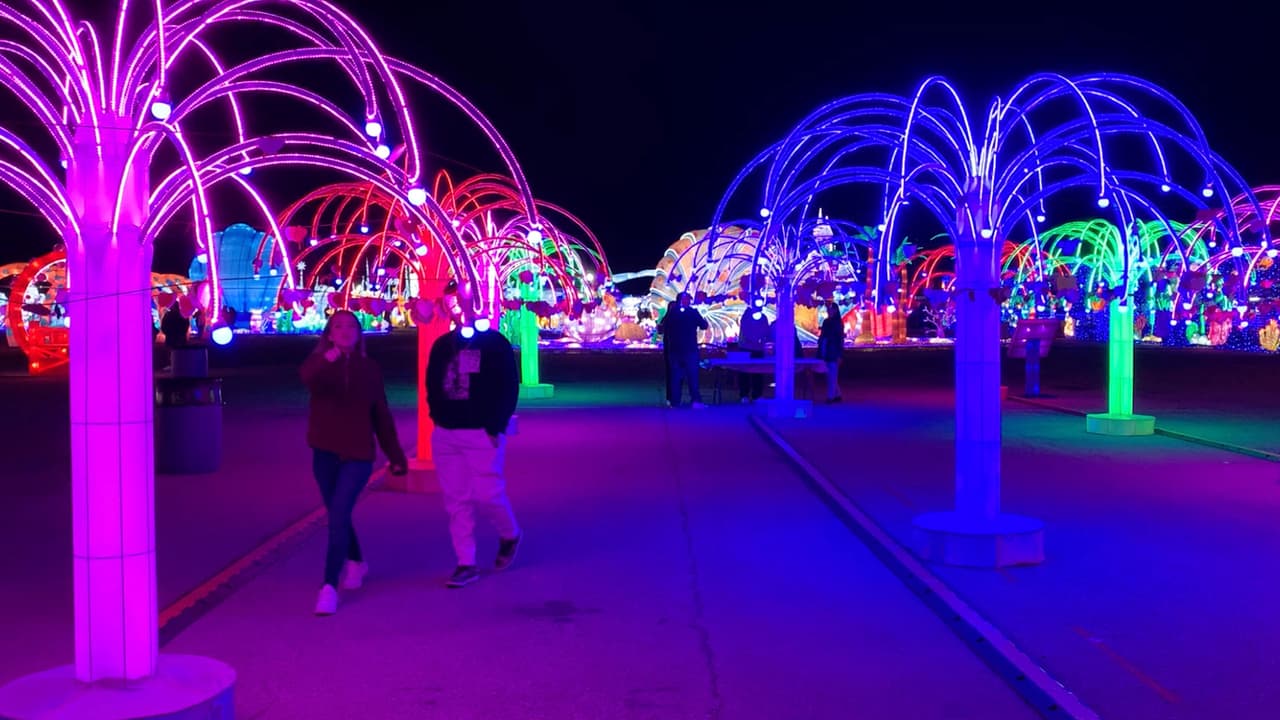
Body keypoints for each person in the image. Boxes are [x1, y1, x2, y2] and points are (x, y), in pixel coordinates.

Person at [301, 310, 407, 615]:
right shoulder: (321, 365)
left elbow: (381, 415)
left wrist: (396, 455)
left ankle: (328, 586)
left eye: (351, 326)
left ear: (359, 334)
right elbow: (308, 377)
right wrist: (329, 358)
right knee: (338, 513)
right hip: (324, 451)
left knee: (338, 513)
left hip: (358, 454)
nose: (346, 331)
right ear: (329, 334)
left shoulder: (369, 369)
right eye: (338, 326)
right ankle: (357, 561)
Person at [426, 315, 522, 588]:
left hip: (482, 431)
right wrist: (437, 414)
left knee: (488, 494)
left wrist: (495, 425)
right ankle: (465, 562)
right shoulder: (444, 344)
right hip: (446, 433)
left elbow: (507, 386)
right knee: (456, 500)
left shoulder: (494, 343)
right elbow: (432, 382)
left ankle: (509, 533)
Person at [660, 291, 709, 408]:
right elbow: (704, 325)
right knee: (692, 376)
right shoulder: (692, 313)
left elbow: (662, 328)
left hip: (675, 350)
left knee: (676, 376)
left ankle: (675, 402)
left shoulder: (672, 313)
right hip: (689, 349)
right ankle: (695, 401)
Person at [737, 303, 770, 402]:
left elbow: (765, 331)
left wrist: (760, 339)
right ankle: (744, 395)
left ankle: (757, 395)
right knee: (744, 372)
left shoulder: (763, 318)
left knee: (758, 371)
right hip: (745, 348)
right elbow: (745, 330)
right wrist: (755, 339)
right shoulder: (746, 317)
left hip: (758, 348)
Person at [817, 301, 845, 403]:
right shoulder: (832, 322)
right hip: (830, 349)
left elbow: (837, 339)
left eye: (831, 309)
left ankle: (831, 396)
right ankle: (836, 394)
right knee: (830, 374)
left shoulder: (833, 323)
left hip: (832, 350)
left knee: (831, 374)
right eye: (829, 309)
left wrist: (839, 353)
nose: (829, 311)